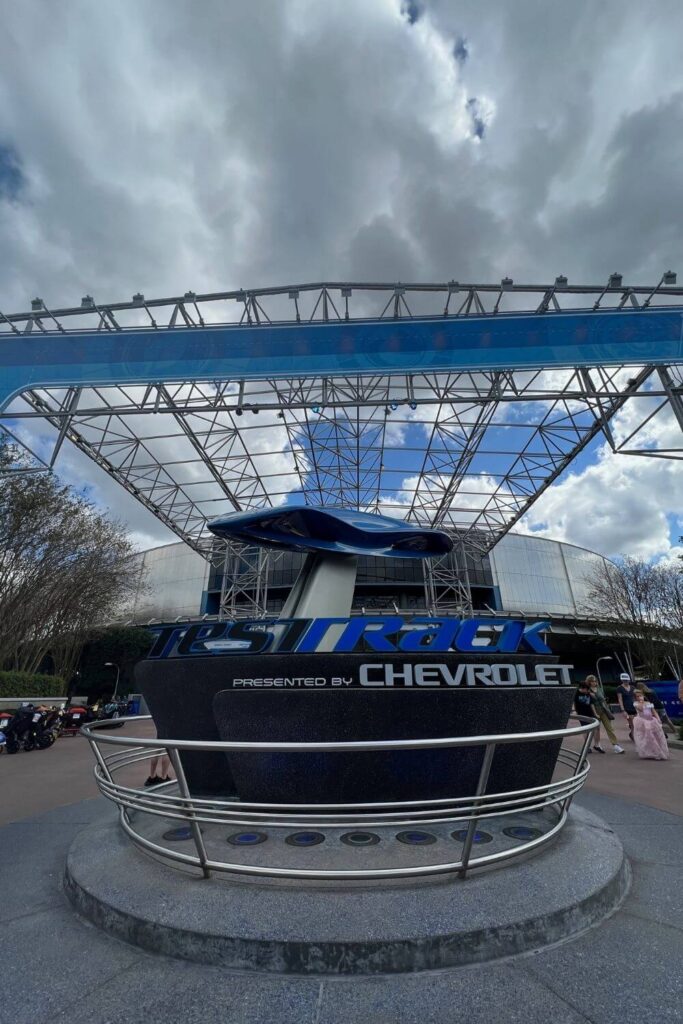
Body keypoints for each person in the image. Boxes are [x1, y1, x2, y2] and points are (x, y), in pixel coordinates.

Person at [586, 675, 624, 754]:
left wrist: (607, 709)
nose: (594, 683)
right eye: (592, 681)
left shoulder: (599, 689)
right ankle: (596, 744)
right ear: (589, 682)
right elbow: (589, 703)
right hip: (594, 711)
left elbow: (603, 700)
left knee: (609, 728)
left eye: (595, 681)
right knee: (596, 730)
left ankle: (615, 745)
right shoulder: (587, 690)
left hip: (604, 711)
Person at [632, 690, 669, 760]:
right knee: (647, 737)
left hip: (651, 720)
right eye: (637, 696)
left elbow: (653, 711)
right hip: (642, 721)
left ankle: (657, 752)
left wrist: (658, 719)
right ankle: (649, 752)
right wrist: (642, 702)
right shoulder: (636, 703)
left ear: (643, 696)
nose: (639, 697)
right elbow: (641, 709)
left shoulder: (648, 703)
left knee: (656, 736)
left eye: (640, 696)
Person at [574, 680, 598, 752]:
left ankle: (596, 745)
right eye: (586, 689)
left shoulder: (588, 693)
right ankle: (587, 746)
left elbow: (591, 703)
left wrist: (595, 713)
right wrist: (574, 711)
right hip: (581, 714)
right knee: (585, 730)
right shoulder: (576, 693)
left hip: (590, 713)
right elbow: (574, 703)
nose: (587, 691)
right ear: (582, 688)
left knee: (594, 728)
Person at [616, 673, 637, 740]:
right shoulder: (619, 688)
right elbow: (620, 699)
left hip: (635, 707)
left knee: (637, 723)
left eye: (627, 680)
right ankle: (635, 738)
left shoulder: (633, 687)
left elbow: (636, 697)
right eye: (624, 680)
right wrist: (623, 710)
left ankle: (633, 735)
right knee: (632, 724)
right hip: (627, 708)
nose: (626, 681)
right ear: (622, 680)